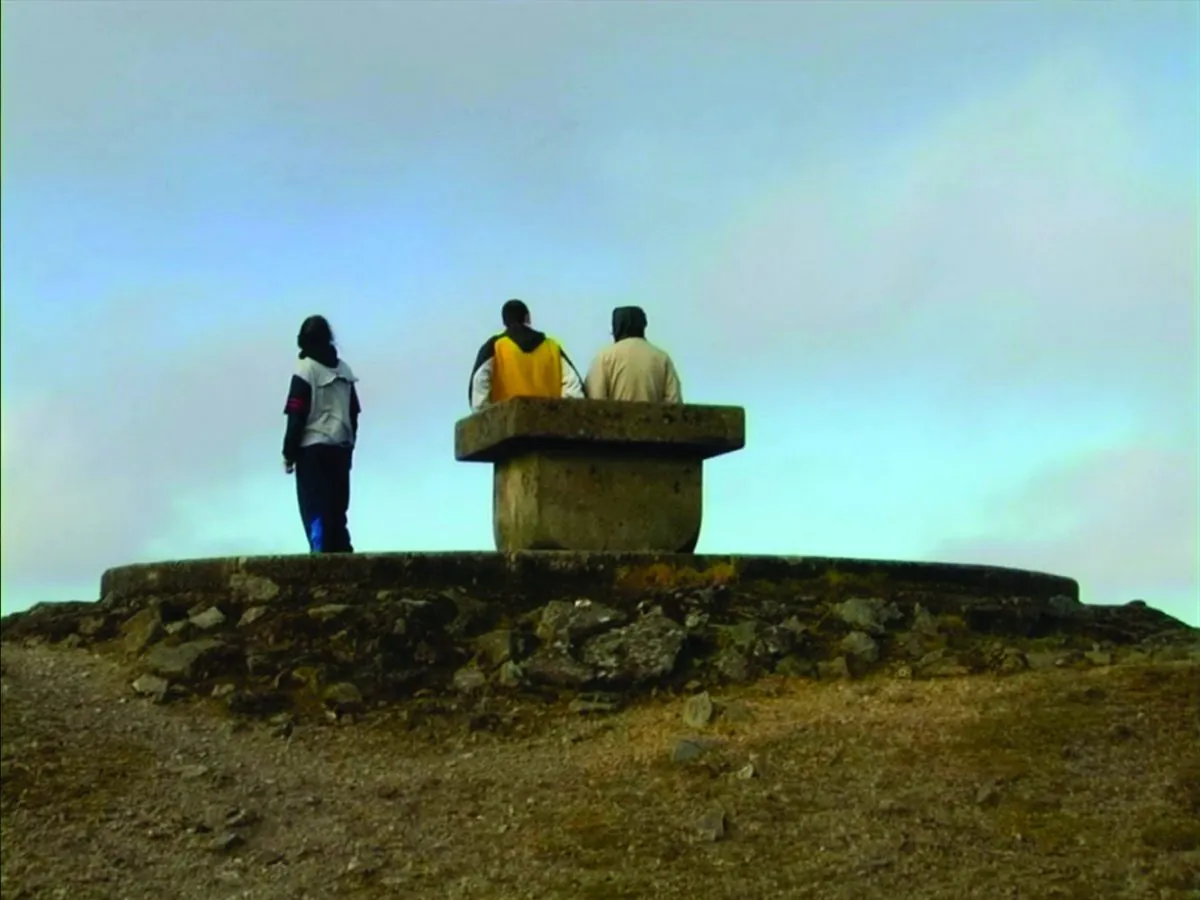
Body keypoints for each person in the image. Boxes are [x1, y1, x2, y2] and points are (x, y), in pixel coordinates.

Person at [281, 315, 361, 553]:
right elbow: (354, 413)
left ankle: (319, 566)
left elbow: (296, 416)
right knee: (338, 515)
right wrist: (350, 447)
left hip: (312, 451)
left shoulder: (305, 370)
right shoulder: (345, 371)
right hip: (340, 448)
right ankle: (345, 566)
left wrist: (289, 453)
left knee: (316, 513)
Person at [469, 299, 585, 412]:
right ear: (527, 317)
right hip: (548, 424)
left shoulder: (495, 346)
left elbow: (479, 384)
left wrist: (487, 415)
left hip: (508, 425)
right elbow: (575, 388)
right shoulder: (552, 347)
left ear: (504, 322)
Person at [584, 306, 683, 403]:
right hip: (652, 419)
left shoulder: (603, 358)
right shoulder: (662, 358)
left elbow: (595, 400)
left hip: (616, 419)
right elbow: (674, 402)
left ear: (617, 327)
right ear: (643, 325)